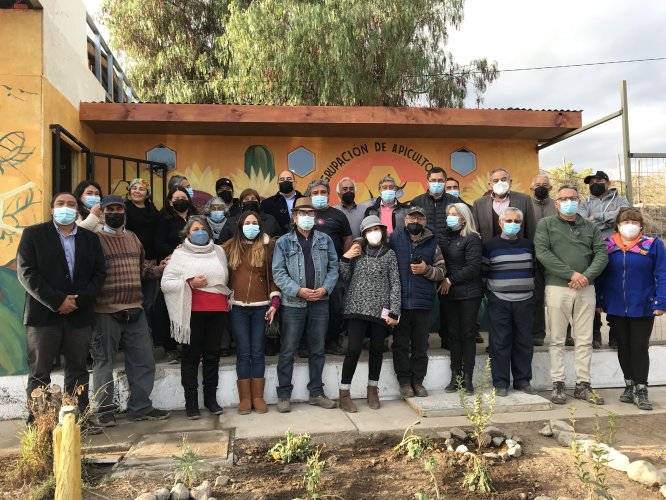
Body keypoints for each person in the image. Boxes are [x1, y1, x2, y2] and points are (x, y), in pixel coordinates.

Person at [17, 192, 107, 425]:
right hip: (43, 317)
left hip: (79, 314)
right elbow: (27, 273)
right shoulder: (33, 234)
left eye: (71, 204)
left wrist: (77, 301)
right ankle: (40, 422)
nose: (65, 207)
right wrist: (57, 301)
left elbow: (99, 274)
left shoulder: (90, 238)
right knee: (40, 373)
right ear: (51, 209)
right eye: (60, 204)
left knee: (77, 370)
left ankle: (78, 420)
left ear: (78, 210)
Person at [91, 195, 169, 426]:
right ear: (103, 213)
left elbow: (143, 269)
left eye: (118, 209)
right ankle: (105, 411)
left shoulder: (133, 238)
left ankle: (141, 407)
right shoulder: (94, 240)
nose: (115, 213)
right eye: (110, 209)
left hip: (135, 308)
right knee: (104, 362)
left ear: (124, 212)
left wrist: (161, 269)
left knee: (143, 360)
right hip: (105, 311)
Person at [535, 184, 609, 405]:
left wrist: (586, 276)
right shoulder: (546, 224)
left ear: (580, 201)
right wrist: (571, 274)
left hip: (586, 288)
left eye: (573, 198)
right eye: (564, 198)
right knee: (557, 339)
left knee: (584, 339)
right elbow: (543, 253)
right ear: (556, 203)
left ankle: (583, 385)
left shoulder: (590, 226)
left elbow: (601, 254)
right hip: (558, 287)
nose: (569, 201)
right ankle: (558, 384)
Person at [272, 197, 339, 413]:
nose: (307, 217)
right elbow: (278, 272)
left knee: (317, 349)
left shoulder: (325, 239)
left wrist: (325, 289)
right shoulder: (283, 242)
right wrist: (298, 290)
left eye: (311, 214)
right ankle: (283, 394)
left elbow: (334, 267)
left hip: (320, 301)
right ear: (294, 217)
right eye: (303, 213)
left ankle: (316, 393)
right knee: (288, 349)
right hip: (293, 303)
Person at [595, 207, 665, 410]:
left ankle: (642, 388)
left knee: (639, 346)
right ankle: (629, 385)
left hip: (643, 305)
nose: (630, 226)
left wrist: (661, 301)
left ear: (641, 225)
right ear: (617, 224)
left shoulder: (653, 244)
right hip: (615, 306)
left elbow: (662, 273)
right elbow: (600, 274)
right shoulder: (608, 245)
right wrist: (599, 300)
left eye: (634, 222)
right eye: (626, 222)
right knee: (623, 346)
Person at [161, 217, 229, 419]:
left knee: (212, 356)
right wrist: (189, 282)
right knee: (191, 358)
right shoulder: (179, 254)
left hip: (217, 310)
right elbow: (166, 283)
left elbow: (224, 276)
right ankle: (191, 404)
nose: (200, 232)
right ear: (188, 234)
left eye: (203, 229)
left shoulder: (219, 251)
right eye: (195, 229)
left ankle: (211, 400)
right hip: (192, 311)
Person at [338, 216, 400, 412]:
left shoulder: (389, 254)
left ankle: (372, 390)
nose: (375, 233)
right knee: (354, 349)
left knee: (377, 349)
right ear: (364, 233)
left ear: (383, 231)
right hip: (356, 308)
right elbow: (345, 277)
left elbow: (395, 283)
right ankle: (344, 393)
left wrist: (394, 311)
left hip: (380, 311)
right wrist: (346, 258)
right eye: (370, 229)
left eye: (378, 229)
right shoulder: (357, 251)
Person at [222, 212, 280, 414]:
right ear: (240, 226)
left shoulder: (268, 246)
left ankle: (258, 397)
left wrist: (275, 302)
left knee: (257, 351)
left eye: (255, 223)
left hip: (261, 307)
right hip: (237, 307)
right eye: (247, 223)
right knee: (243, 352)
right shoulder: (229, 247)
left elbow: (274, 276)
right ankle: (245, 398)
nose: (251, 226)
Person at [390, 206, 446, 398]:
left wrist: (426, 270)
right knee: (400, 345)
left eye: (419, 219)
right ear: (405, 220)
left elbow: (441, 271)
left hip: (423, 303)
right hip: (400, 302)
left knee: (421, 345)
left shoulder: (433, 242)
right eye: (412, 218)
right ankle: (404, 382)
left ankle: (418, 382)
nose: (415, 221)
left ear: (425, 221)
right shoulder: (394, 239)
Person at [482, 207, 536, 396]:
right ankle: (501, 383)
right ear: (500, 223)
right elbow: (484, 273)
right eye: (509, 221)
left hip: (525, 301)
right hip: (499, 301)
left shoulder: (529, 245)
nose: (513, 224)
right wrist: (491, 295)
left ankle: (522, 381)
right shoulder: (490, 246)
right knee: (500, 342)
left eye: (517, 221)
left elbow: (535, 270)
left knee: (524, 342)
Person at [578, 170, 630, 349]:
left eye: (598, 181)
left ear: (607, 182)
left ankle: (615, 334)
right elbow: (582, 221)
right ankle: (595, 334)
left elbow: (624, 216)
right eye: (591, 182)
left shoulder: (621, 200)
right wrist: (610, 219)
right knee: (591, 292)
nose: (594, 184)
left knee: (615, 291)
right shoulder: (584, 204)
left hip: (616, 251)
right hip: (591, 253)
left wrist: (597, 217)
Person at [305, 179, 352, 355]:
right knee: (308, 307)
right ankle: (306, 344)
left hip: (334, 270)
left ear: (329, 194)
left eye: (323, 192)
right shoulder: (304, 215)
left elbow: (348, 237)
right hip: (308, 270)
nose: (319, 196)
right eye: (315, 193)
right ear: (310, 195)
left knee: (336, 306)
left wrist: (344, 260)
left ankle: (332, 341)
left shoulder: (338, 215)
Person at [440, 203, 483, 394]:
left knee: (467, 335)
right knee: (454, 335)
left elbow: (473, 267)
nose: (451, 217)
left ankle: (468, 378)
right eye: (449, 214)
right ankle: (455, 376)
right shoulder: (446, 237)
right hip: (449, 294)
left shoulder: (472, 238)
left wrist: (450, 279)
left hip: (468, 294)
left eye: (455, 214)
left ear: (464, 218)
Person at [154, 186, 198, 362]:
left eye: (183, 197)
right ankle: (170, 346)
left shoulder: (195, 218)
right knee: (168, 306)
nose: (180, 200)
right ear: (170, 201)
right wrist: (176, 251)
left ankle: (189, 344)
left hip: (194, 266)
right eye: (176, 198)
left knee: (191, 306)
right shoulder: (164, 219)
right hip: (173, 266)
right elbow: (158, 243)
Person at [529, 175, 566, 347]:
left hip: (556, 258)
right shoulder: (525, 205)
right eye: (538, 185)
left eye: (545, 185)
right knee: (536, 297)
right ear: (531, 188)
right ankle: (537, 333)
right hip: (534, 258)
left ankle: (566, 334)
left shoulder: (557, 205)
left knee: (561, 298)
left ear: (551, 188)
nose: (541, 187)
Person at [124, 178, 161, 331]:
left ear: (147, 194)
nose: (137, 191)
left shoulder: (153, 211)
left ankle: (146, 334)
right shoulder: (124, 209)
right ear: (129, 192)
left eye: (142, 189)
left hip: (150, 262)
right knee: (130, 301)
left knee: (148, 302)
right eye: (134, 188)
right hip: (130, 261)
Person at [472, 168, 536, 244]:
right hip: (488, 251)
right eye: (495, 181)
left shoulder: (524, 199)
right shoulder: (479, 203)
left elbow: (531, 229)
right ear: (490, 185)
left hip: (518, 249)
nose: (500, 183)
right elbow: (475, 232)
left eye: (503, 179)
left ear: (510, 182)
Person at [261, 169, 303, 235]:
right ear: (278, 184)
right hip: (276, 242)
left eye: (289, 179)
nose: (285, 181)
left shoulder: (305, 200)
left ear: (295, 183)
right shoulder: (266, 204)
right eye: (282, 179)